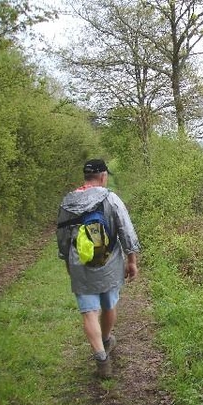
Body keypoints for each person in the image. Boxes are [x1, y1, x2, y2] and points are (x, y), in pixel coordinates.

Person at [56, 159, 140, 378]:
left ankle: (101, 358)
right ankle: (105, 339)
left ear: (85, 177)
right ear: (103, 176)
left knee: (88, 312)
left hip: (79, 262)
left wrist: (67, 262)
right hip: (110, 261)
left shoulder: (68, 202)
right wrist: (132, 260)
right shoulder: (111, 198)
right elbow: (126, 230)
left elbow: (63, 237)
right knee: (108, 304)